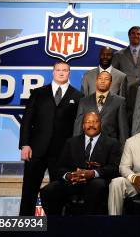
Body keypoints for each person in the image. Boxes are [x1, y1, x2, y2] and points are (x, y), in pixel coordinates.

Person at [19, 61, 83, 215]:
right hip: (36, 149)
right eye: (58, 70)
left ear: (69, 73)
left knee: (59, 191)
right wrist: (25, 144)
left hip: (62, 153)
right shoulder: (38, 93)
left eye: (65, 70)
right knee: (29, 190)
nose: (61, 73)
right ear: (53, 72)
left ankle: (58, 225)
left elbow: (78, 126)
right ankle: (24, 224)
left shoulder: (78, 96)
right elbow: (27, 120)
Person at [39, 112, 121, 215]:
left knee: (98, 185)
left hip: (96, 182)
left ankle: (88, 225)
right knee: (48, 190)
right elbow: (60, 168)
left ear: (100, 124)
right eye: (88, 122)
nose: (91, 125)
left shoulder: (112, 143)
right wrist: (69, 175)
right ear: (83, 125)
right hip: (72, 182)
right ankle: (55, 225)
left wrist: (93, 173)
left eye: (95, 122)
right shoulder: (71, 142)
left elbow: (114, 168)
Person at [73, 71, 129, 145]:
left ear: (111, 82)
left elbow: (123, 130)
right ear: (96, 81)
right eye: (100, 78)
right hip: (88, 145)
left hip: (110, 146)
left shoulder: (119, 101)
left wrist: (123, 149)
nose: (103, 81)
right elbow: (78, 128)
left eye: (106, 79)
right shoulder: (84, 101)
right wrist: (75, 146)